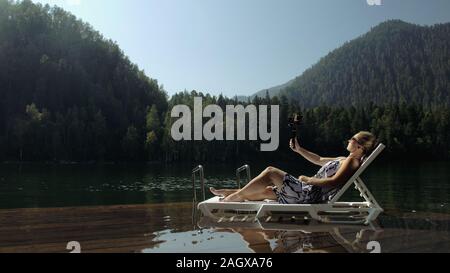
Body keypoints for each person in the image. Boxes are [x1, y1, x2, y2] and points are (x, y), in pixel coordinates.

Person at [210, 131, 378, 204]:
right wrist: (299, 150)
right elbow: (319, 159)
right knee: (267, 190)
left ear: (360, 147)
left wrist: (308, 179)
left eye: (353, 139)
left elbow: (334, 181)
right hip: (305, 192)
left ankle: (235, 197)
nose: (349, 140)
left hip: (306, 194)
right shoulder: (344, 159)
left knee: (270, 171)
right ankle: (230, 192)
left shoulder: (351, 162)